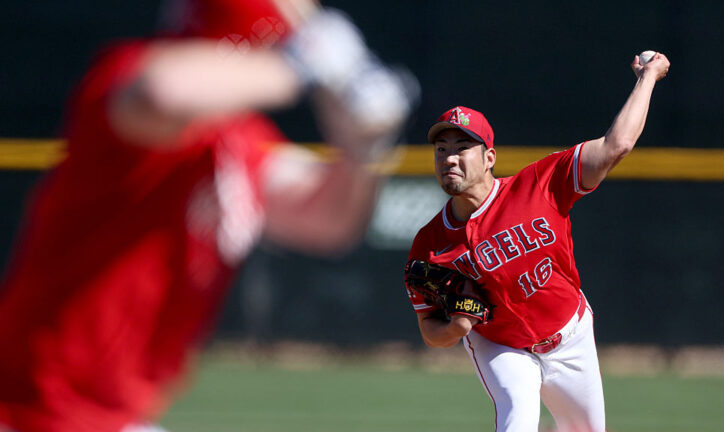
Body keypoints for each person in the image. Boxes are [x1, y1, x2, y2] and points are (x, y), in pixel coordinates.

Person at [0, 1, 418, 431]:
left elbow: (329, 221)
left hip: (100, 416)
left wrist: (365, 150)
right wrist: (300, 63)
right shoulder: (126, 76)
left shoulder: (237, 140)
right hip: (27, 406)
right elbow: (162, 92)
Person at [406, 52, 670, 431]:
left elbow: (617, 145)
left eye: (462, 147)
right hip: (500, 346)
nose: (449, 158)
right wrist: (458, 328)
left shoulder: (540, 184)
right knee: (517, 417)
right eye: (441, 149)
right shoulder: (429, 244)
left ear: (489, 157)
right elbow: (429, 331)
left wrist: (648, 77)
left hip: (570, 334)